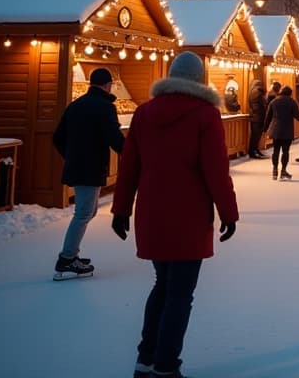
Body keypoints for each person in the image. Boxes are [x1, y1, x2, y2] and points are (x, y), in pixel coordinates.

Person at [111, 51, 238, 378]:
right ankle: (166, 365)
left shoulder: (144, 113)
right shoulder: (205, 115)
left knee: (162, 285)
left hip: (152, 213)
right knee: (180, 293)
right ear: (199, 79)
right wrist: (228, 212)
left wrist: (121, 208)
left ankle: (146, 358)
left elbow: (129, 167)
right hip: (189, 214)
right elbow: (215, 170)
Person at [51, 67, 125, 280]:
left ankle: (71, 254)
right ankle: (66, 259)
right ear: (107, 85)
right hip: (90, 167)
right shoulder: (104, 107)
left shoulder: (75, 106)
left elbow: (57, 137)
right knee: (83, 213)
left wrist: (72, 156)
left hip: (79, 166)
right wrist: (133, 154)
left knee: (89, 211)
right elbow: (115, 138)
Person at [264, 86, 299, 180]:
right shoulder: (292, 102)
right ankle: (283, 171)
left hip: (275, 130)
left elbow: (268, 116)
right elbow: (298, 117)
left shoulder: (274, 102)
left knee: (276, 150)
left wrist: (265, 128)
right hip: (287, 130)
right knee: (285, 152)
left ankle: (274, 170)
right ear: (290, 93)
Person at [246, 79, 267, 159]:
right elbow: (260, 104)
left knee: (255, 135)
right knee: (256, 135)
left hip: (255, 117)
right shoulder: (257, 92)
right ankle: (253, 151)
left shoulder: (253, 92)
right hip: (258, 117)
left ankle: (255, 150)